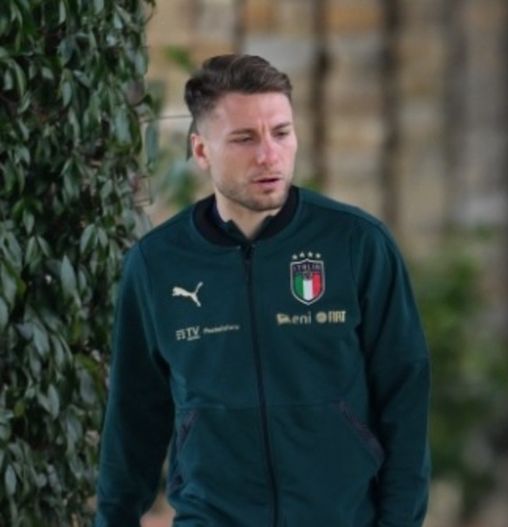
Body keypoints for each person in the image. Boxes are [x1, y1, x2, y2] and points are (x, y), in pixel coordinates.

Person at [94, 55, 430, 526]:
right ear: (201, 150)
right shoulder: (157, 264)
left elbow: (405, 398)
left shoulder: (357, 244)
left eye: (281, 132)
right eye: (244, 138)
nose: (269, 155)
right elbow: (133, 417)